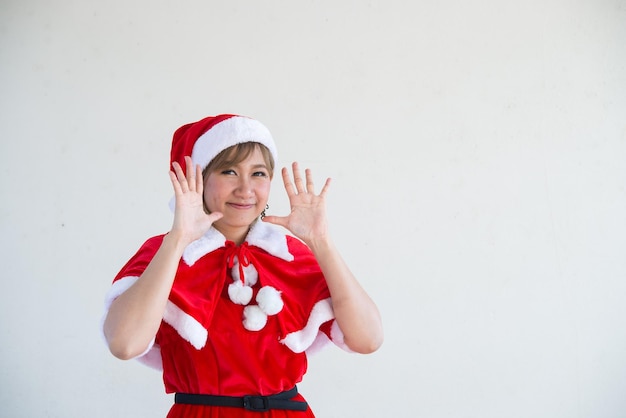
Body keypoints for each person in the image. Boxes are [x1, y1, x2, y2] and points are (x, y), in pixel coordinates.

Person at [102, 114, 383, 417]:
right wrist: (178, 238)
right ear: (197, 178)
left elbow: (368, 339)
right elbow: (124, 344)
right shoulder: (166, 253)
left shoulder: (289, 255)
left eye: (259, 174)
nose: (246, 189)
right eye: (229, 171)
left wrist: (321, 241)